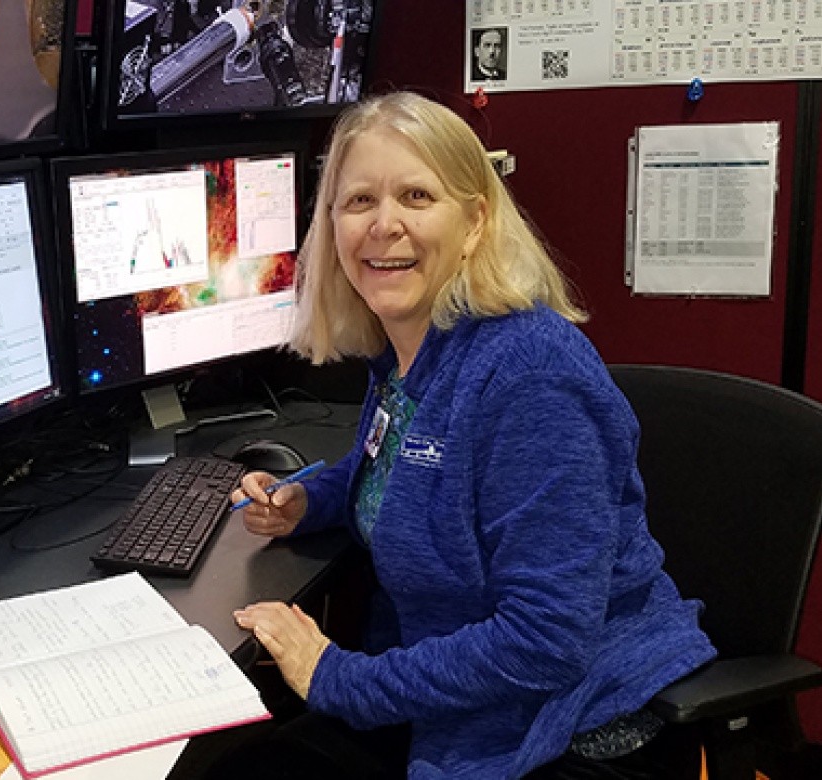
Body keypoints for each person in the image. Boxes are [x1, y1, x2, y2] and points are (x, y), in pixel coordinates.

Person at [221, 92, 717, 778]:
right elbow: (402, 471)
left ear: (475, 222)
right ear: (330, 224)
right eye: (358, 201)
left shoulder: (531, 375)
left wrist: (338, 677)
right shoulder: (408, 351)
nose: (383, 225)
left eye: (417, 196)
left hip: (571, 725)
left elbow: (545, 641)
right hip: (459, 697)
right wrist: (313, 498)